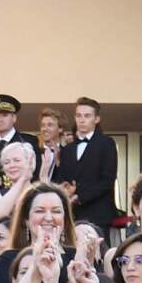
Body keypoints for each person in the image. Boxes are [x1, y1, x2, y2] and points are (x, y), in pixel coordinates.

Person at [52, 97, 118, 233]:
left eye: (87, 116)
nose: (82, 120)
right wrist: (66, 189)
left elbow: (107, 180)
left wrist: (79, 198)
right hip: (72, 214)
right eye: (78, 115)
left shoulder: (107, 143)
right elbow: (62, 178)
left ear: (97, 119)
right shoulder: (68, 149)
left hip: (99, 213)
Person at [0, 94, 42, 194]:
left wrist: (2, 181)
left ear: (14, 118)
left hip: (22, 200)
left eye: (5, 115)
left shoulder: (28, 141)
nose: (0, 119)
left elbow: (35, 174)